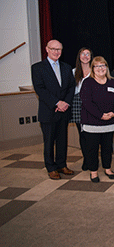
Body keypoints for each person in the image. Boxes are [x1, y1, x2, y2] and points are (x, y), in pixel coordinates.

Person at [31, 39, 75, 180]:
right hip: (49, 111)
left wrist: (66, 103)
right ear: (47, 49)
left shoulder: (67, 67)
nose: (56, 52)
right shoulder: (37, 67)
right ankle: (51, 167)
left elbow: (71, 88)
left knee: (62, 140)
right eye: (54, 49)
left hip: (64, 111)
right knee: (49, 141)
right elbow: (40, 89)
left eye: (59, 49)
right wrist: (57, 103)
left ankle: (61, 165)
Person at [80, 56, 114, 182]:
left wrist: (113, 113)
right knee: (92, 148)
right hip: (92, 122)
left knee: (107, 147)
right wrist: (100, 115)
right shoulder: (88, 82)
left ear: (107, 68)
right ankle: (93, 171)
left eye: (103, 65)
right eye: (97, 66)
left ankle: (107, 168)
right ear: (93, 68)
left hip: (109, 122)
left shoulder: (113, 82)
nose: (101, 68)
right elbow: (86, 102)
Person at [71, 47, 93, 171]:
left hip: (92, 104)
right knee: (82, 134)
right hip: (77, 104)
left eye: (88, 54)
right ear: (79, 56)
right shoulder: (73, 72)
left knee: (91, 134)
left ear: (91, 56)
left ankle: (92, 158)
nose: (85, 56)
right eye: (83, 54)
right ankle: (86, 159)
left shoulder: (95, 70)